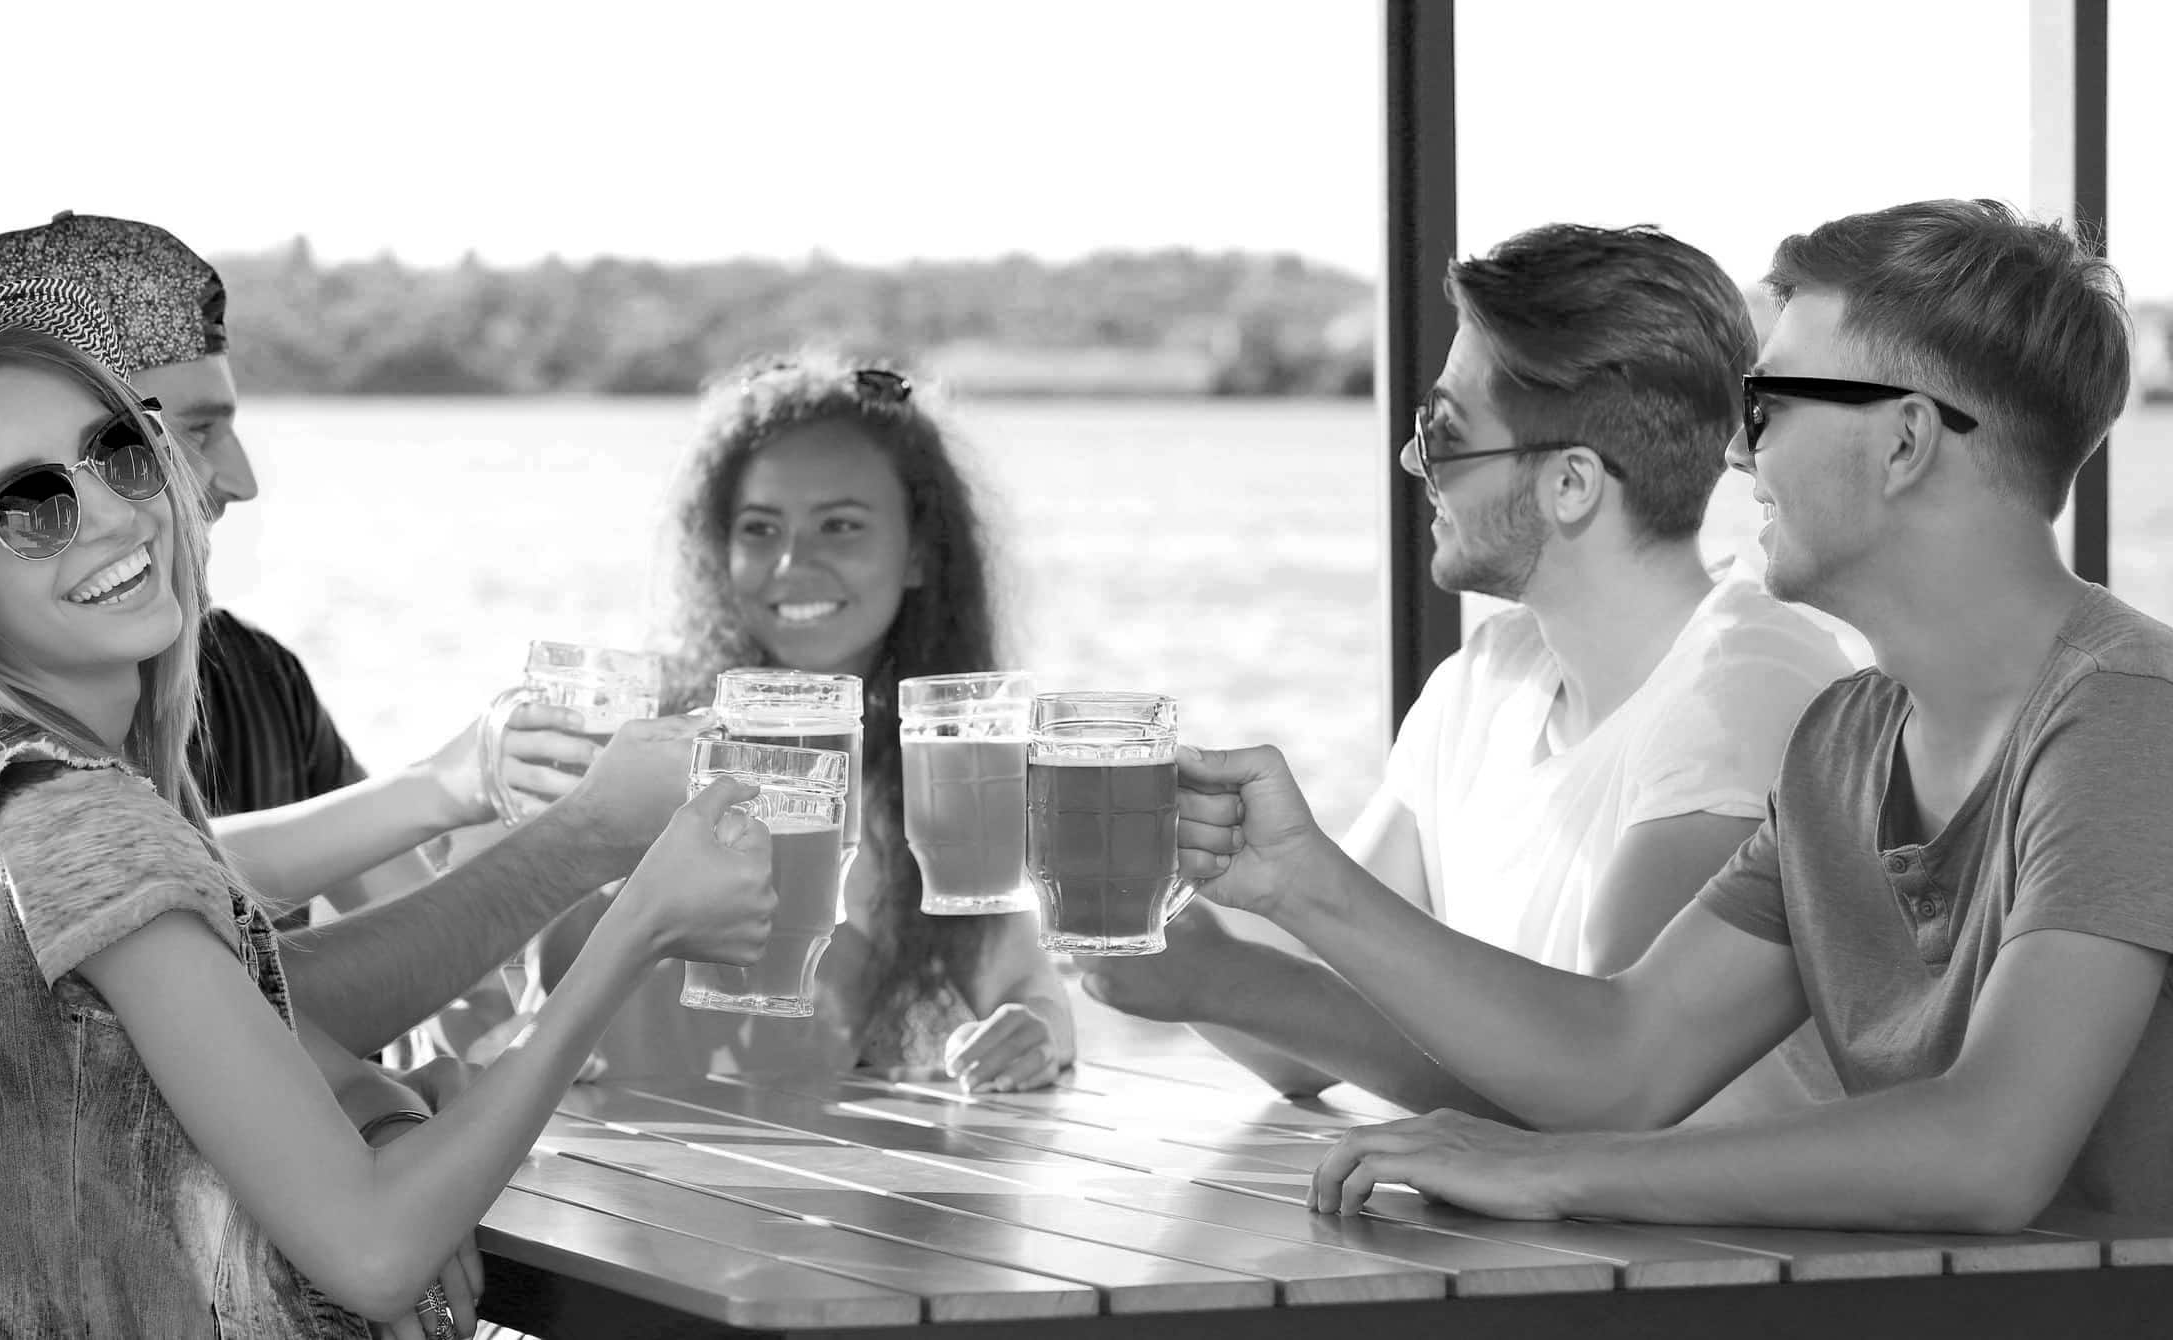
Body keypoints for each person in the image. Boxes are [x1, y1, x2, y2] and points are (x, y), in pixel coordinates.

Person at [0, 217, 683, 1334]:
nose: (129, 506)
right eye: (30, 504)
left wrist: (377, 1099)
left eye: (123, 449)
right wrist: (640, 924)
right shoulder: (62, 810)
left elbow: (236, 1002)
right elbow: (375, 1251)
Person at [1179, 199, 2173, 1229]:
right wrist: (1297, 883)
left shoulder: (2124, 713)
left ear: (1903, 441)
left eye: (1769, 409)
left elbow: (1987, 1150)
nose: (1736, 458)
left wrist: (1553, 1170)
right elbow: (1622, 1057)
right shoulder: (1841, 744)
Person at [1086, 223, 1852, 1121]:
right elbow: (1300, 1042)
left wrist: (1229, 977)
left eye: (1444, 434)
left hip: (1724, 1256)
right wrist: (1165, 917)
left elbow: (1597, 1098)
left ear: (1571, 484)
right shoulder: (1488, 679)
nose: (1415, 462)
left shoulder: (1744, 692)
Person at [534, 355, 1075, 1091]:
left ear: (919, 550)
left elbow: (1025, 985)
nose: (792, 561)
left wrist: (1027, 1034)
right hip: (598, 1171)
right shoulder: (643, 746)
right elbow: (535, 977)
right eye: (759, 528)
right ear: (717, 548)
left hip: (821, 1183)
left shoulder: (939, 774)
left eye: (840, 526)